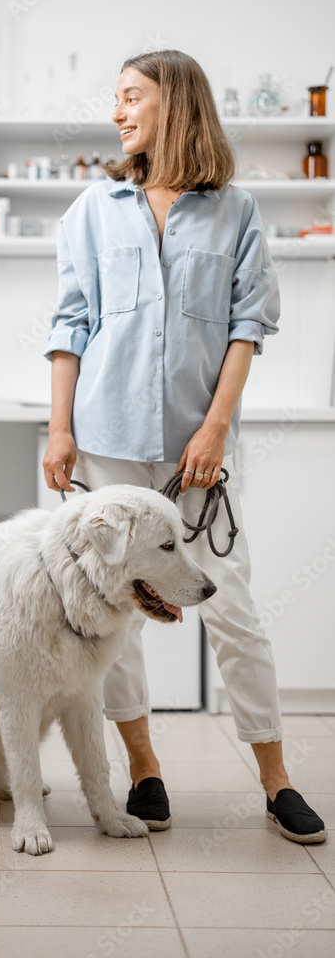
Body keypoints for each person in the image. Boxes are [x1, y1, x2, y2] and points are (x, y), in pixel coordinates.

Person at [42, 49, 326, 845]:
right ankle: (143, 771)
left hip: (197, 453)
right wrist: (60, 428)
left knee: (229, 607)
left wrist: (213, 425)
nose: (117, 111)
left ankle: (275, 781)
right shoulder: (92, 209)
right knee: (112, 617)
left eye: (130, 96)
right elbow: (70, 325)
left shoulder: (233, 211)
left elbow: (249, 324)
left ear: (176, 103)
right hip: (103, 443)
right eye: (116, 97)